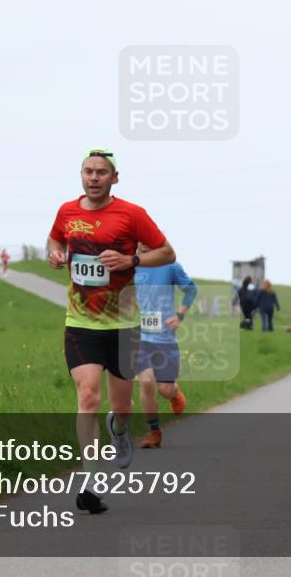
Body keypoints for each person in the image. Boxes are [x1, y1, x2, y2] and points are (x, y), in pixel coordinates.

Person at [47, 148, 176, 514]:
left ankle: (119, 431)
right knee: (88, 396)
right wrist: (56, 255)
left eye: (101, 172)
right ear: (81, 175)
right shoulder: (66, 212)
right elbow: (55, 240)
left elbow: (166, 252)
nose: (93, 178)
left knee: (121, 409)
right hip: (81, 324)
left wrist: (131, 259)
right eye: (88, 171)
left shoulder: (132, 214)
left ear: (114, 178)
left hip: (123, 325)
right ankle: (88, 482)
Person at [133, 246, 197, 448]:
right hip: (141, 337)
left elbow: (191, 289)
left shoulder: (170, 265)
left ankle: (174, 393)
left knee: (165, 389)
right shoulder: (131, 265)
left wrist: (179, 315)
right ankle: (154, 432)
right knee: (146, 382)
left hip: (166, 339)